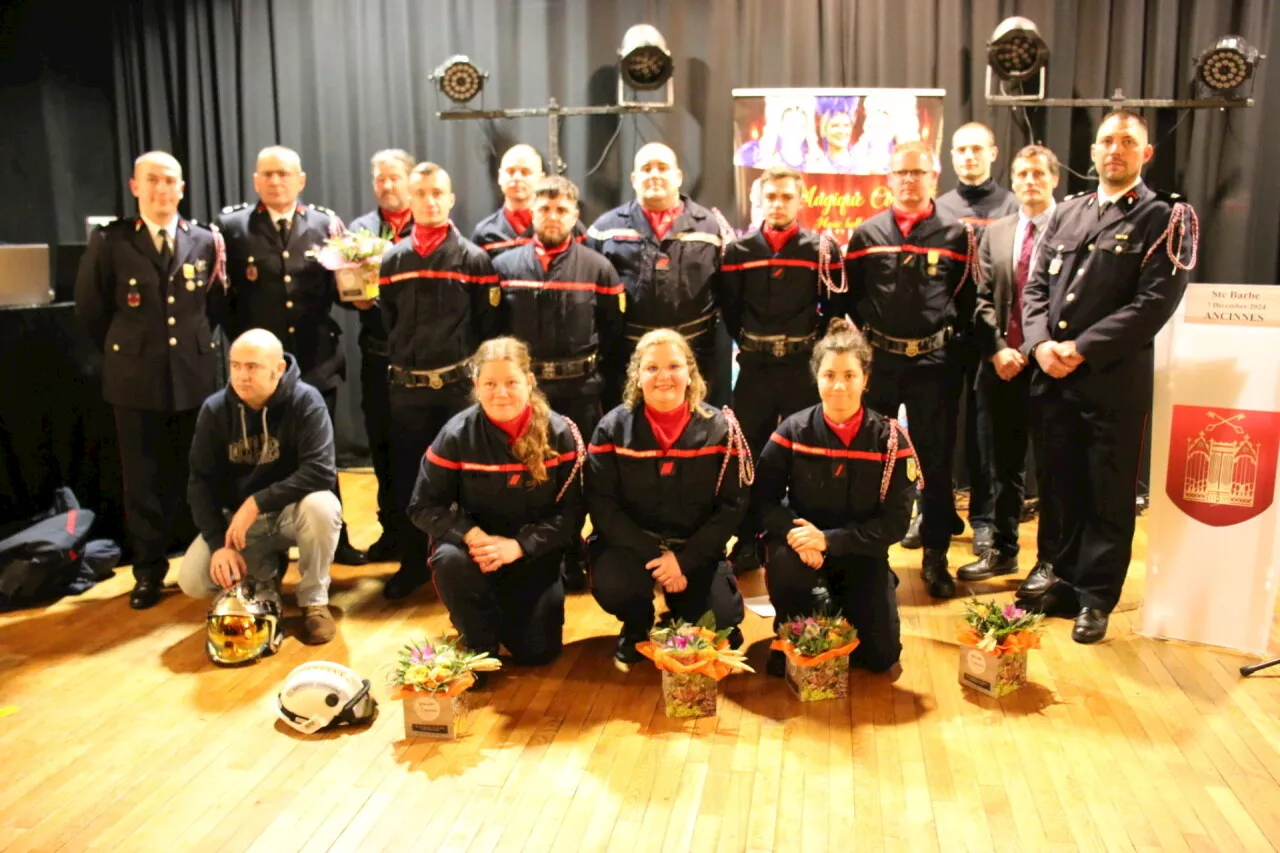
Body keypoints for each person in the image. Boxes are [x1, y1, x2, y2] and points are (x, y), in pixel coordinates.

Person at [1019, 109, 1195, 643]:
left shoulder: (1164, 217)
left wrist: (1080, 347)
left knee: (1107, 492)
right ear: (1092, 153)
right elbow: (1034, 291)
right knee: (1058, 485)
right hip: (1053, 378)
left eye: (1127, 141)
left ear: (1146, 154)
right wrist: (1040, 344)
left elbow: (1154, 303)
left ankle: (1096, 596)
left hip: (1111, 381)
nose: (1114, 149)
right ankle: (1060, 578)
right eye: (1105, 141)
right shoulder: (1067, 213)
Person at [74, 150, 227, 609]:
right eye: (153, 181)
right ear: (135, 187)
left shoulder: (204, 239)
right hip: (135, 380)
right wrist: (134, 352)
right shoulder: (112, 241)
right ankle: (148, 571)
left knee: (198, 474)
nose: (163, 189)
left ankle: (200, 563)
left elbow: (214, 304)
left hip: (193, 379)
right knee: (141, 481)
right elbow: (92, 310)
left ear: (182, 187)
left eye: (171, 181)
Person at [217, 145, 366, 565]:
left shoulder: (325, 224)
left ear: (301, 180)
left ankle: (336, 541)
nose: (276, 181)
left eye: (284, 174)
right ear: (255, 180)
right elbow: (221, 303)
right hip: (258, 373)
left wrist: (366, 295)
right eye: (267, 174)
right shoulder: (231, 227)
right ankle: (264, 544)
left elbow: (347, 293)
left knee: (322, 455)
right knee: (260, 456)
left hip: (316, 362)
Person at [844, 140, 980, 599]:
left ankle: (936, 557)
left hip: (934, 366)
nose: (909, 180)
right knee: (872, 460)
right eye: (901, 172)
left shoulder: (956, 234)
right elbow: (851, 299)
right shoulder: (865, 235)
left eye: (918, 173)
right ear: (888, 179)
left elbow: (966, 301)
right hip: (879, 364)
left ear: (932, 179)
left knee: (935, 465)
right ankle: (869, 559)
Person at [408, 337, 585, 678]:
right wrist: (470, 534)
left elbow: (571, 516)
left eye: (511, 383)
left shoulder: (561, 434)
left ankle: (504, 614)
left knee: (537, 653)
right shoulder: (456, 434)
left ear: (529, 382)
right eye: (489, 384)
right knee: (449, 559)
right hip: (476, 552)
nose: (500, 393)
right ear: (475, 385)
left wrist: (519, 546)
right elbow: (423, 506)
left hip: (530, 553)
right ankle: (478, 639)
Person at [753, 318, 917, 676]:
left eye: (849, 375)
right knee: (787, 577)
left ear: (866, 380)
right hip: (800, 549)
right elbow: (762, 501)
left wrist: (829, 541)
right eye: (829, 375)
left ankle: (860, 595)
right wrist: (798, 536)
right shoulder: (791, 432)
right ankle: (790, 630)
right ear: (817, 378)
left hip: (858, 550)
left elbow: (895, 524)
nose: (839, 385)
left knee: (880, 658)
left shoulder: (891, 442)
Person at [587, 329, 751, 671]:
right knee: (616, 584)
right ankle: (637, 625)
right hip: (632, 549)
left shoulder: (722, 430)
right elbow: (603, 507)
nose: (664, 377)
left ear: (690, 373)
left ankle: (684, 607)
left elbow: (731, 508)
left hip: (694, 548)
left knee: (720, 621)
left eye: (674, 366)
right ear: (637, 376)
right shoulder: (611, 429)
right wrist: (656, 558)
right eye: (652, 368)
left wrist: (685, 560)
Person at [373, 161, 500, 600]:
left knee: (463, 482)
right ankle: (412, 562)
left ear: (450, 199)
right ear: (409, 199)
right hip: (407, 392)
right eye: (421, 193)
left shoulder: (474, 259)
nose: (429, 201)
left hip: (456, 394)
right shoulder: (392, 260)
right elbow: (387, 319)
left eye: (437, 193)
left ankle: (465, 561)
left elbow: (487, 326)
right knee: (411, 479)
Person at [718, 164, 845, 572]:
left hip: (800, 368)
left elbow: (835, 311)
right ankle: (749, 538)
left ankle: (801, 533)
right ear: (759, 200)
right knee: (749, 454)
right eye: (770, 196)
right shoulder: (738, 252)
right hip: (754, 367)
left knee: (804, 453)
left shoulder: (822, 250)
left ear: (801, 199)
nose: (778, 204)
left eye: (786, 196)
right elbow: (730, 309)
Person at [178, 329, 342, 645]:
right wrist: (218, 545)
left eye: (251, 367)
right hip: (241, 525)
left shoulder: (306, 401)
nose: (241, 376)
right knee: (194, 581)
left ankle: (314, 601)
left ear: (278, 369)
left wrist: (256, 502)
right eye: (235, 365)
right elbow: (200, 482)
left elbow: (321, 472)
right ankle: (265, 581)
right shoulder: (215, 409)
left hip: (290, 514)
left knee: (323, 505)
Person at [958, 145, 1061, 587]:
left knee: (1056, 468)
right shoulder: (997, 232)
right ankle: (1003, 550)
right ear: (1013, 180)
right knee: (1003, 467)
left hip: (1055, 368)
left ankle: (1053, 560)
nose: (1031, 181)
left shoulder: (1073, 227)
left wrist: (1044, 349)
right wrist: (998, 348)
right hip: (1002, 367)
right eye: (1023, 173)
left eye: (1039, 173)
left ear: (1054, 179)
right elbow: (981, 301)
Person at [585, 143, 733, 408]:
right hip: (628, 356)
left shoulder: (711, 227)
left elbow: (730, 294)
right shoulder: (603, 230)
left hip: (696, 352)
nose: (654, 174)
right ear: (634, 179)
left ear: (678, 176)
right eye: (646, 168)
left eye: (662, 168)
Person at [934, 122, 1020, 556]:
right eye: (961, 150)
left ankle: (984, 520)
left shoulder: (1013, 203)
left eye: (976, 149)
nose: (969, 156)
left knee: (986, 437)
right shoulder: (940, 206)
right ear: (951, 157)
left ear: (993, 152)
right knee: (940, 433)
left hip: (994, 339)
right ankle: (937, 512)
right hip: (946, 338)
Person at [345, 148, 416, 562]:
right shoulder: (358, 231)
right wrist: (353, 299)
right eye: (380, 180)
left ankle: (424, 538)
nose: (387, 186)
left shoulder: (430, 227)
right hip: (377, 358)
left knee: (421, 451)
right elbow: (340, 292)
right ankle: (391, 530)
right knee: (383, 449)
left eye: (394, 178)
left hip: (422, 361)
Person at [471, 144, 585, 260]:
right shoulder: (484, 233)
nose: (517, 178)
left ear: (541, 178)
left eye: (525, 172)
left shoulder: (568, 226)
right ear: (499, 177)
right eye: (510, 171)